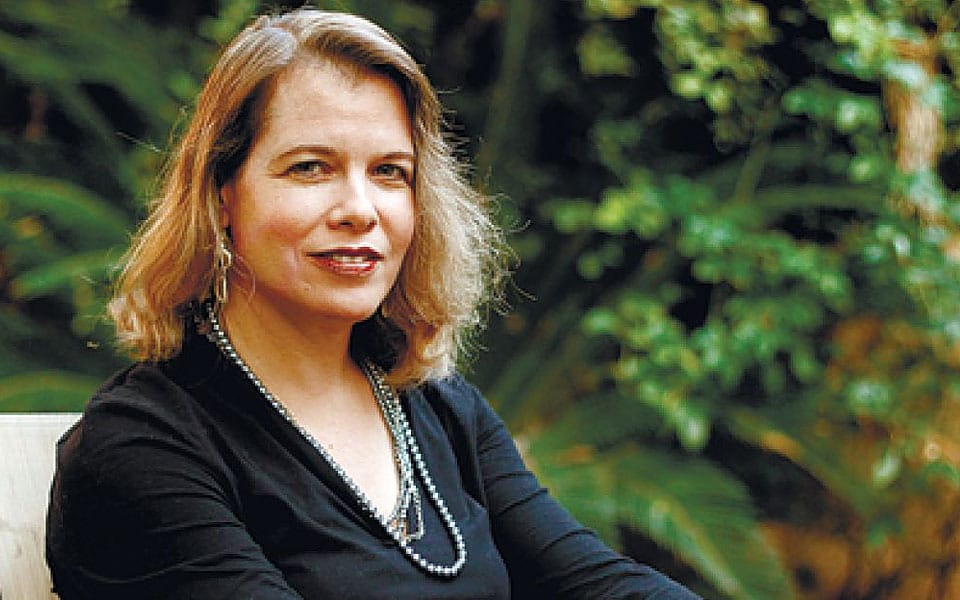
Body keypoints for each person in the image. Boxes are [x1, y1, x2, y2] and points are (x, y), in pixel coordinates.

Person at [45, 7, 700, 599]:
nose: (360, 210)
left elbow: (594, 581)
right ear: (222, 195)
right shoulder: (141, 447)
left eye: (390, 171)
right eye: (310, 167)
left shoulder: (442, 409)